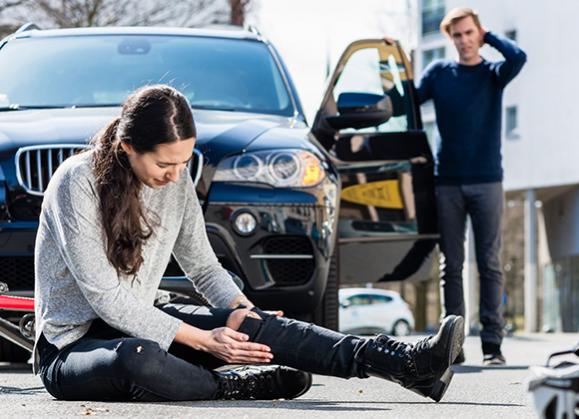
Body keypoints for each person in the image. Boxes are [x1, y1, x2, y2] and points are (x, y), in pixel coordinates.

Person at [34, 84, 464, 402]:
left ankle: (405, 364)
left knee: (247, 322)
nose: (174, 173)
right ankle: (230, 385)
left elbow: (202, 266)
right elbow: (106, 299)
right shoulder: (78, 182)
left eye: (184, 161)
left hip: (144, 318)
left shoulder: (176, 178)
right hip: (73, 348)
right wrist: (204, 341)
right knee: (137, 357)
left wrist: (244, 311)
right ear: (127, 146)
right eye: (165, 163)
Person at [416, 7, 527, 365]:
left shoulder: (494, 74)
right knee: (452, 266)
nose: (464, 41)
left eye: (469, 33)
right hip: (447, 181)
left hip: (487, 181)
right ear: (451, 40)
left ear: (478, 33)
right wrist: (392, 58)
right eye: (458, 35)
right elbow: (408, 99)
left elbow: (518, 56)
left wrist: (489, 34)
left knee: (490, 264)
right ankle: (454, 344)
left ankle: (493, 345)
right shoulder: (439, 73)